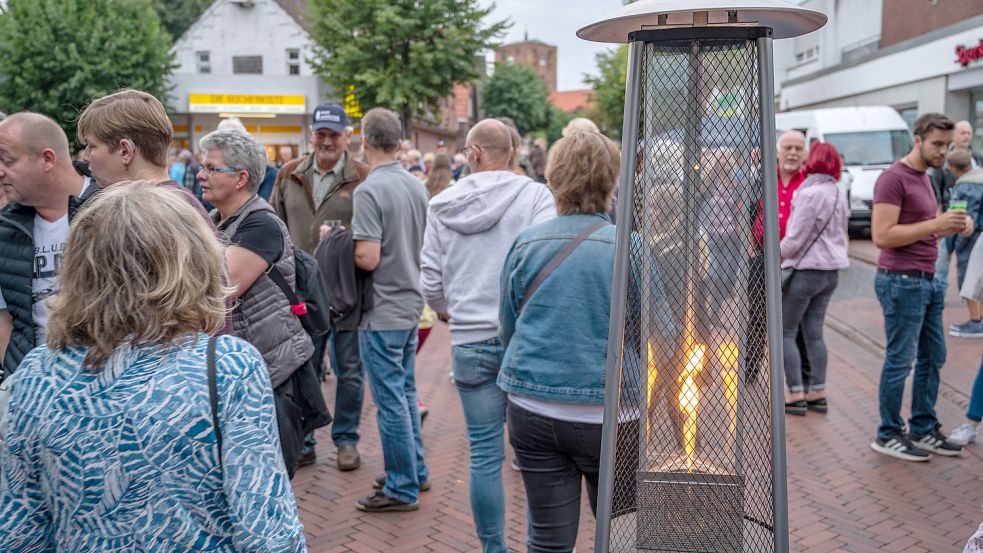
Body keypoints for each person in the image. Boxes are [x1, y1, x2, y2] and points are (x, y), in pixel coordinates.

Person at [0, 182, 306, 552]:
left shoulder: (34, 376)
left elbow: (19, 531)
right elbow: (267, 529)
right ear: (192, 263)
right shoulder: (227, 368)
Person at [497, 132, 637, 552]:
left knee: (547, 537)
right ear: (612, 180)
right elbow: (657, 333)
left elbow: (508, 327)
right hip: (613, 412)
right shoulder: (630, 247)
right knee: (620, 536)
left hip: (534, 406)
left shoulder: (526, 243)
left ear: (553, 178)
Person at [420, 119, 555, 552]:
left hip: (469, 341)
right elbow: (546, 262)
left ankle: (493, 548)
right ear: (513, 149)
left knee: (483, 454)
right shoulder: (536, 197)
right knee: (536, 459)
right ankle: (538, 544)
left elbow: (430, 282)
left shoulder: (442, 203)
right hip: (525, 339)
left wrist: (449, 311)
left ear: (473, 153)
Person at [198, 129, 330, 476]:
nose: (201, 174)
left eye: (212, 168)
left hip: (272, 377)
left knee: (265, 484)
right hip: (250, 374)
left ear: (241, 178)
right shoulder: (217, 221)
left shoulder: (260, 224)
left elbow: (215, 293)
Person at [870, 113, 974, 462]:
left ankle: (923, 427)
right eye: (937, 144)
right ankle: (887, 434)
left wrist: (953, 226)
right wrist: (936, 223)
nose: (944, 151)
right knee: (901, 361)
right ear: (917, 139)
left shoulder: (927, 177)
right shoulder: (892, 178)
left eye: (947, 145)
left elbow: (926, 228)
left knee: (934, 355)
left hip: (927, 281)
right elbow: (882, 235)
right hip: (901, 281)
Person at [273, 103, 369, 471]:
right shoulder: (289, 173)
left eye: (334, 134)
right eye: (320, 133)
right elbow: (275, 226)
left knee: (350, 370)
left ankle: (346, 440)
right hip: (300, 293)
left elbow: (374, 234)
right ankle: (305, 440)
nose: (326, 140)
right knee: (304, 369)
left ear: (347, 136)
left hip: (347, 291)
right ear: (311, 135)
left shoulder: (363, 176)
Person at [351, 107, 430, 512]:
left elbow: (367, 257)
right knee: (406, 391)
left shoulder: (369, 191)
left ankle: (402, 486)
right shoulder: (416, 186)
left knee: (390, 401)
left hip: (381, 307)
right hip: (410, 301)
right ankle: (414, 469)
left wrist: (340, 242)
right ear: (399, 143)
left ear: (364, 142)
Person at [0, 113, 96, 376]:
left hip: (103, 389)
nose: (0, 171)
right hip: (33, 390)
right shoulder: (6, 228)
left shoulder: (111, 209)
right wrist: (18, 379)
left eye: (7, 160)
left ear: (47, 159)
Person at [780, 142, 849, 415]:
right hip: (830, 272)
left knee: (786, 332)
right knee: (814, 333)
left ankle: (795, 394)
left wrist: (775, 254)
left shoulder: (808, 193)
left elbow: (795, 239)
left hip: (806, 271)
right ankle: (817, 392)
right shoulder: (837, 192)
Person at [748, 130, 809, 381]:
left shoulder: (809, 182)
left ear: (805, 153)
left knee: (799, 319)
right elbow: (749, 211)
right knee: (758, 314)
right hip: (763, 257)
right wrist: (752, 247)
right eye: (788, 147)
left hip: (799, 261)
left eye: (798, 148)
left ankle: (801, 376)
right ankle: (750, 371)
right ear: (777, 151)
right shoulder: (762, 179)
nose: (793, 153)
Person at [931, 121, 982, 293]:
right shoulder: (944, 159)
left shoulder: (977, 159)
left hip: (968, 225)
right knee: (943, 258)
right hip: (949, 217)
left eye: (969, 133)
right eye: (962, 133)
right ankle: (939, 290)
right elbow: (936, 187)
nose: (966, 136)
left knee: (968, 264)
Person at [945, 149, 983, 338]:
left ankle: (976, 321)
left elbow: (964, 219)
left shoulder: (965, 186)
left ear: (953, 168)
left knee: (969, 279)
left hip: (974, 240)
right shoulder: (981, 177)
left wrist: (954, 245)